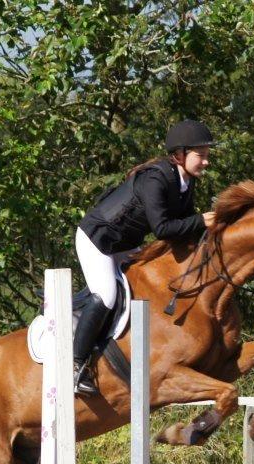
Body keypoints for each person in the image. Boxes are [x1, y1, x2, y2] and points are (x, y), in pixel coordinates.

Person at [71, 119, 217, 395]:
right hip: (98, 240)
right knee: (107, 295)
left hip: (125, 244)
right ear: (180, 154)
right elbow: (163, 229)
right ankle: (76, 366)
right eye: (201, 155)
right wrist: (202, 220)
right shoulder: (157, 179)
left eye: (207, 156)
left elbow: (183, 228)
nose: (206, 162)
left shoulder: (185, 182)